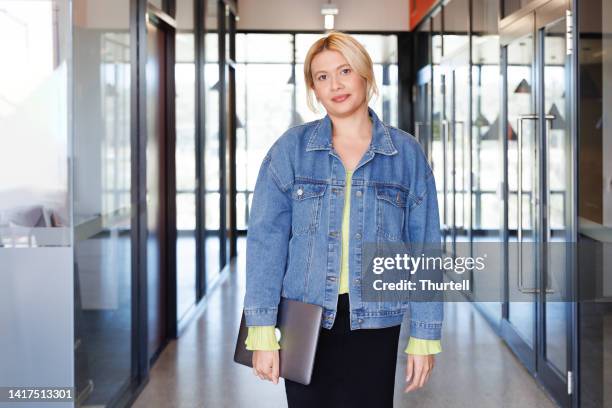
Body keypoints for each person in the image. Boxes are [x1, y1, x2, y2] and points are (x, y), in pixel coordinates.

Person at [242, 31, 443, 408]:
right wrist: (261, 329)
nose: (335, 84)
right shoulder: (291, 151)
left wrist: (425, 335)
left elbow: (425, 247)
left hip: (377, 320)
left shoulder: (406, 155)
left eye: (345, 70)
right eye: (322, 76)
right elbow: (265, 242)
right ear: (313, 89)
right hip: (303, 317)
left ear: (365, 74)